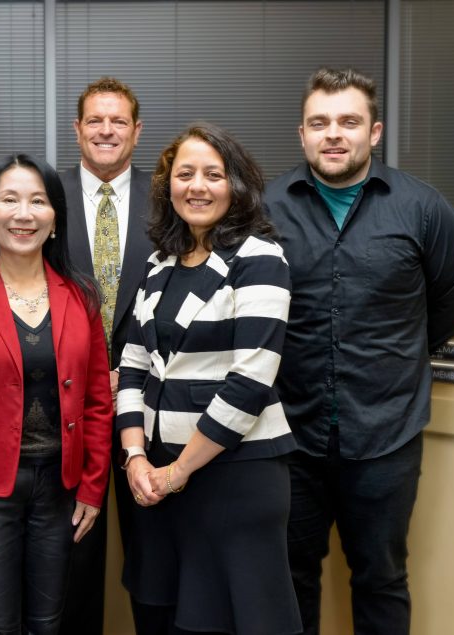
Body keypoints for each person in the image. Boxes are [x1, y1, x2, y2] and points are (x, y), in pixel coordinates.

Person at [264, 67, 454, 635]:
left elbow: (453, 305)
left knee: (381, 578)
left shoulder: (423, 209)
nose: (334, 134)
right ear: (302, 134)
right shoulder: (265, 210)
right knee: (289, 576)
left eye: (349, 122)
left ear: (374, 133)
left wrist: (394, 357)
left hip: (387, 435)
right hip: (290, 436)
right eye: (320, 123)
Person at [116, 122, 301, 635]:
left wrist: (178, 472)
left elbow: (249, 382)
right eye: (185, 174)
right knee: (166, 613)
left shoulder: (260, 258)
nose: (197, 186)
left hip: (233, 479)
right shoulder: (159, 265)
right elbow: (133, 364)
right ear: (167, 185)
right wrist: (135, 457)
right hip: (154, 483)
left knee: (235, 619)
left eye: (213, 174)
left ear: (236, 185)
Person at [0, 153, 113, 634]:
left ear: (55, 218)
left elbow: (97, 400)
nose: (23, 214)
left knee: (49, 623)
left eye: (38, 201)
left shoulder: (82, 296)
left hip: (62, 487)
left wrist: (94, 486)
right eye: (8, 199)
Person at [59, 76, 154, 634]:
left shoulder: (169, 195)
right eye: (95, 120)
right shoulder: (47, 196)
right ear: (77, 129)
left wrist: (131, 372)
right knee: (75, 554)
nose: (106, 130)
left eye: (118, 121)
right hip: (70, 404)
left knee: (152, 557)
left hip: (152, 405)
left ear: (137, 132)